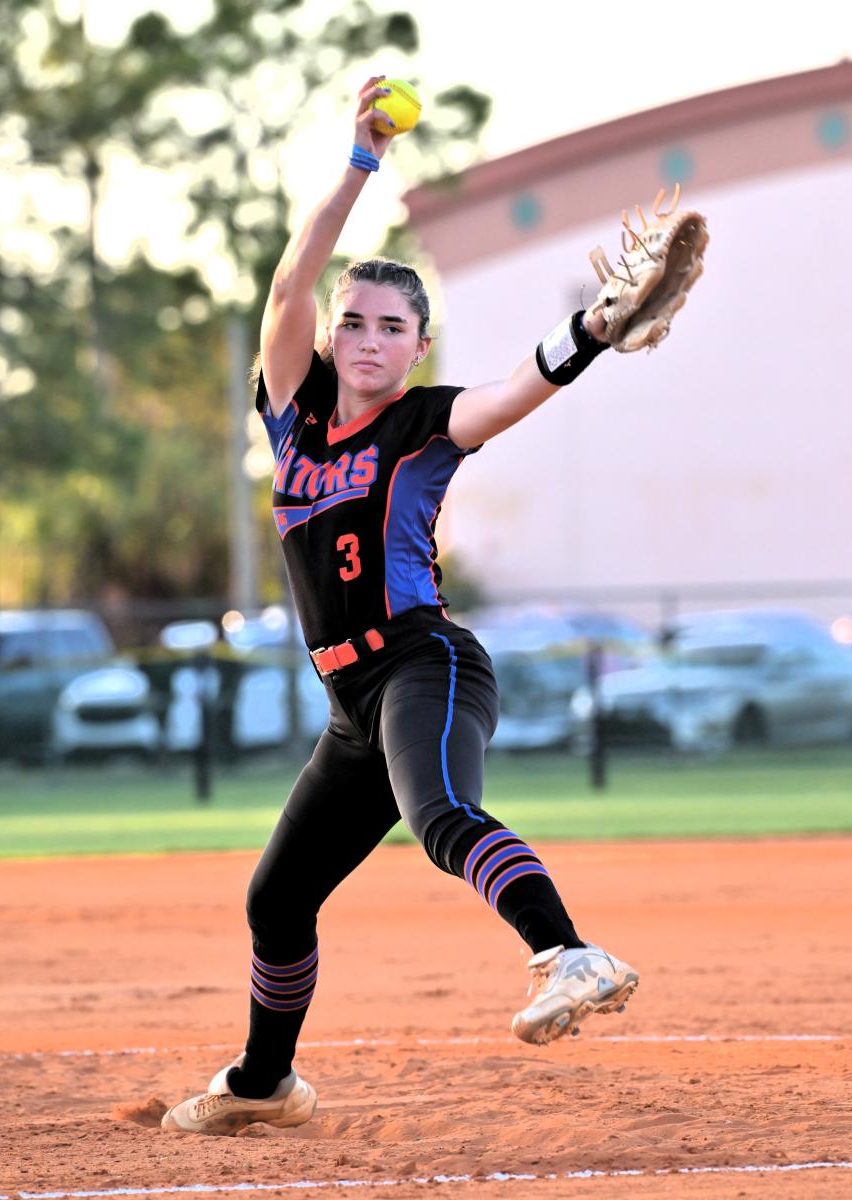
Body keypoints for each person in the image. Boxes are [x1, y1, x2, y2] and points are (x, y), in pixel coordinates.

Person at [162, 78, 638, 1138]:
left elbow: (513, 390)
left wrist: (596, 327)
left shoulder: (425, 423)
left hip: (426, 665)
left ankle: (572, 953)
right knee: (276, 902)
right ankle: (265, 1086)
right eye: (354, 322)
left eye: (391, 326)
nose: (366, 337)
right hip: (348, 706)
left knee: (440, 819)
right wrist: (357, 164)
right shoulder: (293, 426)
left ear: (416, 347)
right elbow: (289, 285)